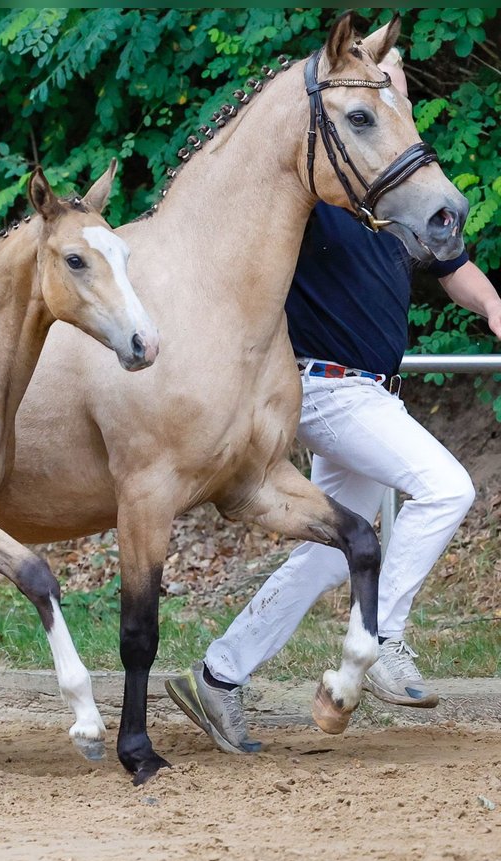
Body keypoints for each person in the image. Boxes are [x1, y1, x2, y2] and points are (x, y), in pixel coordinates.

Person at [166, 50, 501, 754]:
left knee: (326, 551)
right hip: (322, 384)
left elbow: (454, 266)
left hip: (369, 389)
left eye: (395, 88)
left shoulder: (395, 201)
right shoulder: (322, 189)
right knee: (446, 488)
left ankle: (217, 676)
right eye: (380, 88)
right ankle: (382, 637)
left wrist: (495, 306)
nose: (390, 98)